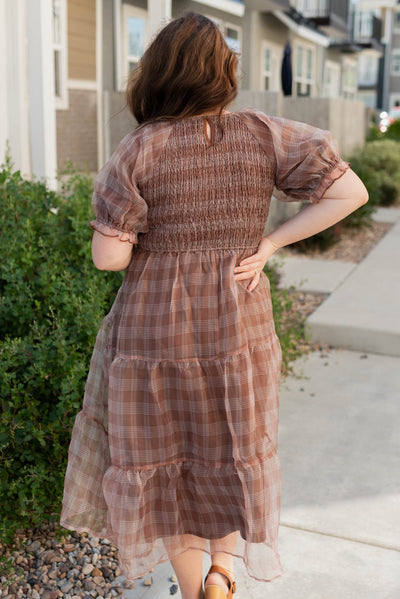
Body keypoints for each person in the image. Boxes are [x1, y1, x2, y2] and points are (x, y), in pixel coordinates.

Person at [60, 12, 368, 599]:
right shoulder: (264, 134)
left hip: (157, 330)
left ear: (157, 75)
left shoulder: (140, 148)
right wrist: (271, 242)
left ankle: (192, 583)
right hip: (238, 315)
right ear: (222, 74)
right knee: (228, 446)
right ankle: (224, 576)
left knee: (164, 455)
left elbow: (109, 259)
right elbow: (351, 192)